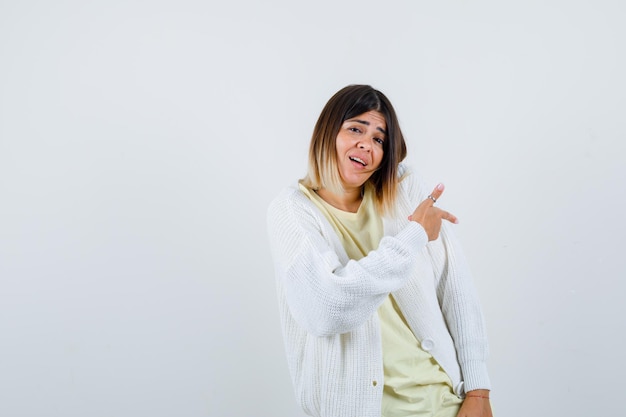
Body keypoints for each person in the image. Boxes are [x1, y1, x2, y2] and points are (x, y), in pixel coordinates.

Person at [267, 84, 493, 417]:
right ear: (326, 132)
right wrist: (414, 235)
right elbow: (328, 309)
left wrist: (478, 390)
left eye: (378, 139)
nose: (366, 144)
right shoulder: (291, 212)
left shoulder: (403, 189)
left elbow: (455, 286)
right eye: (355, 128)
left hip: (446, 401)